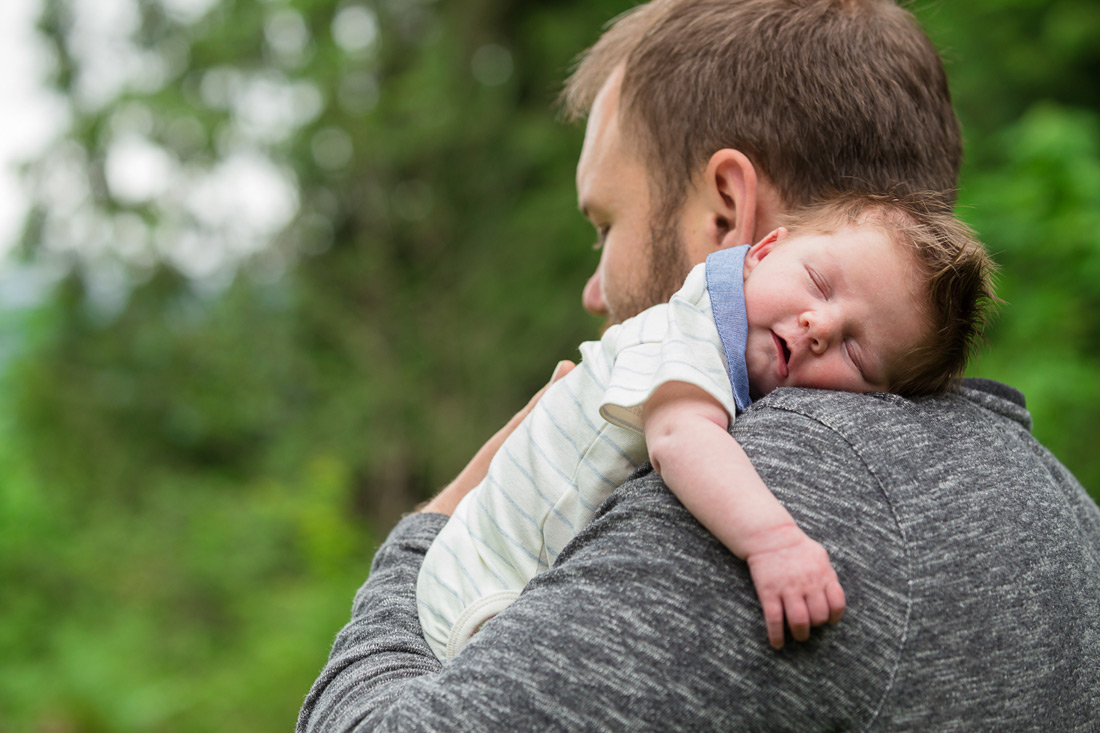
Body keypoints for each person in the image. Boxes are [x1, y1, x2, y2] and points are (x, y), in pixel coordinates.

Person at [298, 1, 1100, 729]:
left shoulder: (768, 489)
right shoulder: (1056, 499)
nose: (592, 289)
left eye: (604, 225)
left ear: (727, 211)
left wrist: (430, 534)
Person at [416, 191, 996, 660]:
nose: (819, 325)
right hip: (482, 587)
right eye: (818, 284)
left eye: (856, 352)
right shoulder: (691, 334)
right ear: (764, 251)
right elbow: (682, 440)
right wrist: (774, 542)